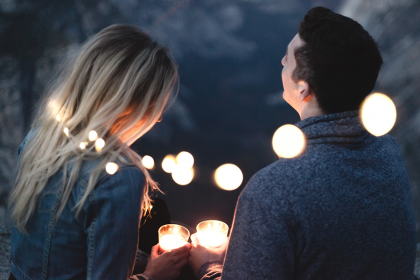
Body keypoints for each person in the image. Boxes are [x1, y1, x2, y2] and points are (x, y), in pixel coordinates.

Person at [189, 7, 417, 279]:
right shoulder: (387, 153)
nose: (282, 61)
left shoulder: (272, 192)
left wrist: (210, 267)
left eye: (288, 59)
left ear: (303, 89)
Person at [8, 24, 191, 280]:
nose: (158, 117)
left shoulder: (40, 138)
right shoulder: (119, 176)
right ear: (128, 102)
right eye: (154, 104)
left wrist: (134, 256)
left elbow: (62, 243)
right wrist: (153, 275)